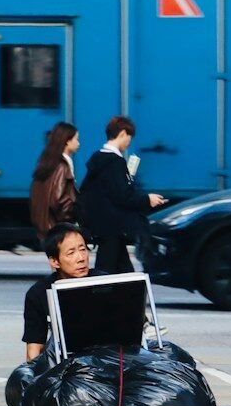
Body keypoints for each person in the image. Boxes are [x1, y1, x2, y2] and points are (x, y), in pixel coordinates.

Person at [75, 116, 167, 274]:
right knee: (106, 272)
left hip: (104, 224)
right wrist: (147, 199)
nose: (129, 142)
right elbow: (122, 196)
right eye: (130, 137)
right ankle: (99, 297)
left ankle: (128, 297)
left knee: (121, 271)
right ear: (123, 134)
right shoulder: (114, 162)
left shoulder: (99, 159)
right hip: (112, 227)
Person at [22, 223, 96, 361]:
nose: (81, 258)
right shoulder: (38, 293)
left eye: (83, 249)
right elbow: (34, 347)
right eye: (71, 253)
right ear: (55, 262)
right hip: (65, 366)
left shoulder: (104, 282)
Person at [29, 121, 80, 241]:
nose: (78, 143)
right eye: (76, 139)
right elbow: (59, 199)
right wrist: (73, 219)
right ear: (67, 141)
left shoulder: (48, 163)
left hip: (47, 228)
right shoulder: (62, 166)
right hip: (60, 230)